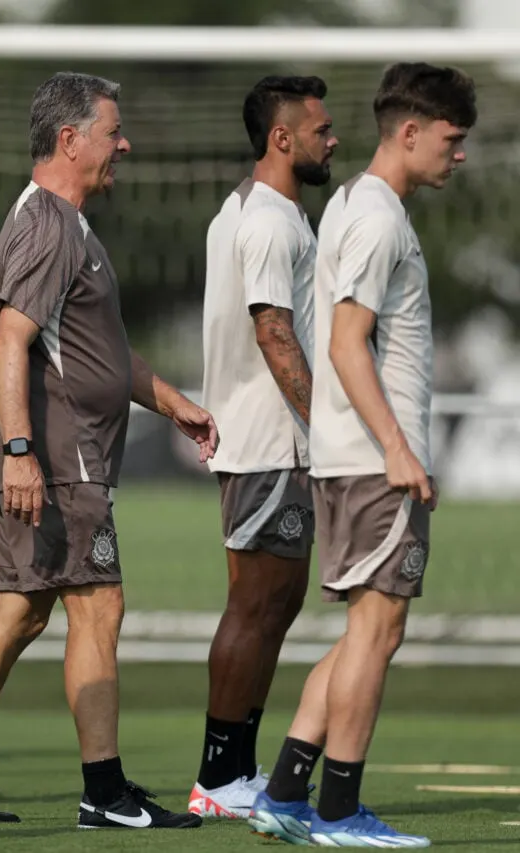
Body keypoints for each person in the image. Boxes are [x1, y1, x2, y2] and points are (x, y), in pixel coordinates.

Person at [0, 71, 217, 830]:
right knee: (98, 604)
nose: (125, 145)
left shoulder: (70, 225)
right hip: (58, 456)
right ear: (70, 140)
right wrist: (19, 450)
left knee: (21, 609)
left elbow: (106, 353)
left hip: (64, 455)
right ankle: (103, 791)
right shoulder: (46, 222)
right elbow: (12, 336)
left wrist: (175, 404)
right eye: (113, 131)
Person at [249, 62, 476, 848]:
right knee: (377, 633)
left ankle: (283, 793)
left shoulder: (352, 202)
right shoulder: (377, 217)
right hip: (374, 463)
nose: (461, 154)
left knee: (367, 633)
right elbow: (348, 345)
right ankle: (339, 811)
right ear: (409, 133)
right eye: (452, 139)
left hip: (352, 458)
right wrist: (398, 449)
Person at [191, 75, 337, 819]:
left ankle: (236, 771)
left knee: (276, 603)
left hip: (274, 442)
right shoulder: (270, 220)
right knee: (255, 605)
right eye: (321, 128)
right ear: (282, 138)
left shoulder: (256, 211)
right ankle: (218, 776)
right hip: (269, 441)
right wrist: (330, 426)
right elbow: (274, 332)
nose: (332, 139)